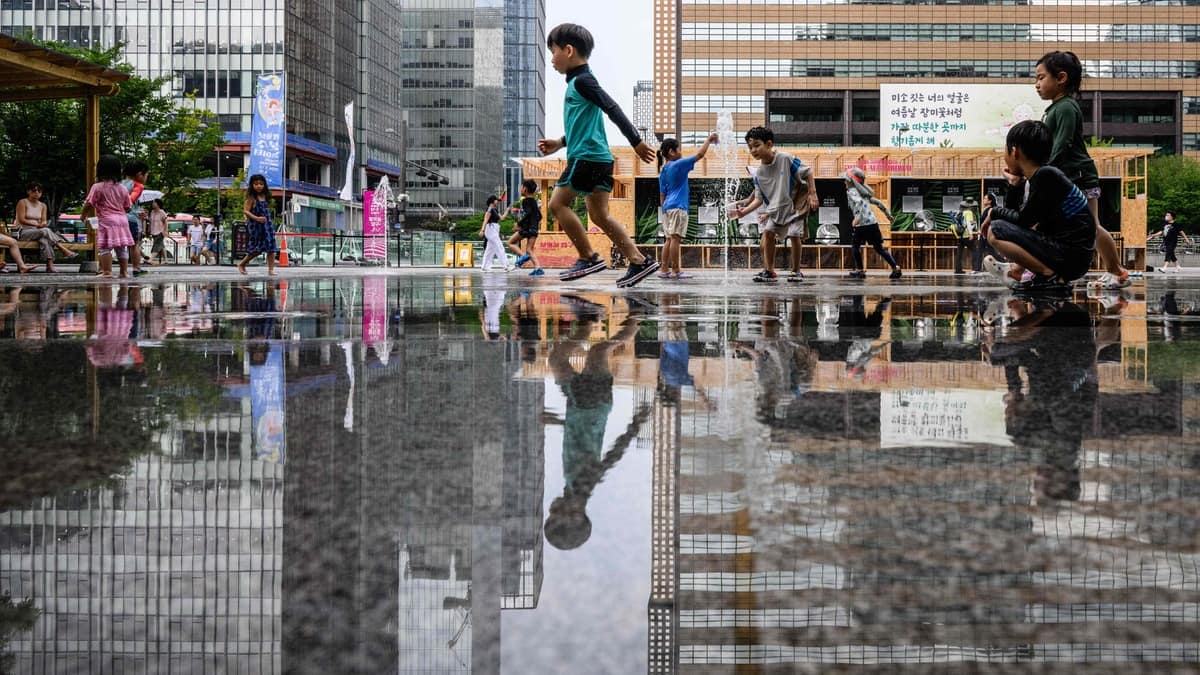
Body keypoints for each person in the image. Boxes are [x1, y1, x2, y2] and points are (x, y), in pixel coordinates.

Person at [537, 23, 659, 288]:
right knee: (599, 215)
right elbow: (582, 127)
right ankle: (638, 260)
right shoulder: (578, 83)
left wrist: (636, 141)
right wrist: (559, 142)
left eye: (553, 51)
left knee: (557, 205)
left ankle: (588, 256)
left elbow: (612, 107)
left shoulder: (583, 81)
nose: (552, 58)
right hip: (599, 158)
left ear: (568, 50)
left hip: (586, 157)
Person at [543, 298, 646, 550]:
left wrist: (556, 422)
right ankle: (637, 315)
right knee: (598, 352)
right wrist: (635, 425)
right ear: (576, 515)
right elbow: (612, 456)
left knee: (559, 358)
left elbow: (579, 438)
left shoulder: (572, 484)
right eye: (558, 517)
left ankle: (590, 321)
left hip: (579, 406)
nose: (552, 511)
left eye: (551, 517)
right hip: (591, 405)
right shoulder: (583, 485)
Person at [1035, 51, 1130, 290]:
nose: (1037, 84)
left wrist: (1045, 173)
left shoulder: (1066, 107)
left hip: (1078, 177)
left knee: (1090, 226)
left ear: (1061, 78)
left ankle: (1116, 271)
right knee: (1069, 225)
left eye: (1041, 77)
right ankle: (1025, 269)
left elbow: (1062, 144)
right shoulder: (1056, 108)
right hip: (1068, 177)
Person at [981, 121, 1096, 293]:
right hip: (1071, 255)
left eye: (1005, 151)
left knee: (995, 229)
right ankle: (1017, 271)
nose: (1004, 157)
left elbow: (1022, 221)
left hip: (1071, 256)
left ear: (1015, 151)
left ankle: (1047, 275)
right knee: (1002, 225)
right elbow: (1017, 219)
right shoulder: (1043, 175)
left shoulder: (1046, 176)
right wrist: (1014, 184)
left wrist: (992, 212)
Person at [728, 126, 818, 283]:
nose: (753, 150)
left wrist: (812, 192)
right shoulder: (760, 173)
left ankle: (796, 271)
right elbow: (759, 198)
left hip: (796, 203)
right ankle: (769, 271)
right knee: (768, 233)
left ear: (769, 144)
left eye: (757, 145)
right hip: (779, 209)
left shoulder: (784, 158)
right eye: (750, 147)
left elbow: (808, 171)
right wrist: (744, 212)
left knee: (794, 235)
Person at [657, 133, 718, 280]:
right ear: (672, 152)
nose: (681, 152)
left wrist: (664, 210)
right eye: (679, 149)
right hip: (678, 207)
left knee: (669, 239)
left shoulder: (663, 170)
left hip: (666, 208)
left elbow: (662, 194)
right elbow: (699, 155)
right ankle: (676, 271)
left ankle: (664, 269)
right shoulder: (678, 164)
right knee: (676, 239)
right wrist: (709, 139)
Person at [843, 168, 902, 280]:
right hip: (872, 224)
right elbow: (878, 202)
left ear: (851, 181)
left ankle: (860, 271)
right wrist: (888, 215)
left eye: (846, 180)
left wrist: (857, 218)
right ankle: (895, 267)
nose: (844, 182)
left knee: (855, 247)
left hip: (862, 225)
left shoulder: (851, 192)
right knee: (879, 248)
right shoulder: (864, 192)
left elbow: (859, 204)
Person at [81, 155, 133, 279]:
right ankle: (124, 272)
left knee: (105, 247)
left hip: (107, 220)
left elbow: (89, 203)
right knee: (121, 247)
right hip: (122, 220)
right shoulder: (123, 188)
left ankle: (107, 272)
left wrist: (83, 214)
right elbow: (128, 206)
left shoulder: (98, 187)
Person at [14, 181, 78, 272]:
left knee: (45, 239)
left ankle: (50, 266)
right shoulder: (22, 202)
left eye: (39, 191)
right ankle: (62, 249)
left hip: (39, 231)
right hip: (24, 231)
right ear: (28, 191)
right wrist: (37, 224)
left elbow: (44, 220)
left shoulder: (43, 205)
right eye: (34, 190)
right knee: (45, 231)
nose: (37, 193)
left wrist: (43, 224)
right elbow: (21, 219)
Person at [238, 174, 278, 276]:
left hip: (267, 225)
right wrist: (256, 218)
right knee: (257, 249)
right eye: (256, 184)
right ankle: (242, 264)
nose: (259, 186)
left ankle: (271, 270)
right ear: (252, 185)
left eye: (261, 184)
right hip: (256, 226)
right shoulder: (251, 198)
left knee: (271, 248)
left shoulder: (265, 196)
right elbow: (246, 211)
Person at [506, 179, 545, 276]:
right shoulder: (534, 202)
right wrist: (534, 224)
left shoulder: (526, 201)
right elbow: (540, 216)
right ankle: (538, 268)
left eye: (521, 187)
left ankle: (523, 256)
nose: (520, 189)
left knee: (510, 242)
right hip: (534, 229)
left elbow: (528, 214)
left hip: (526, 228)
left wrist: (518, 225)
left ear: (525, 189)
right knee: (529, 249)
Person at [121, 160, 150, 277]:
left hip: (117, 217)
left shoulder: (119, 183)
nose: (146, 177)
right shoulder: (138, 185)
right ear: (139, 174)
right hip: (130, 219)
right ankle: (136, 268)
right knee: (134, 245)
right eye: (146, 175)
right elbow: (130, 200)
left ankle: (105, 269)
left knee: (116, 245)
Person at [478, 195, 513, 272]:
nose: (497, 201)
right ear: (492, 201)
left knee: (490, 249)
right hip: (490, 228)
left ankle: (484, 267)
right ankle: (506, 266)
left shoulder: (495, 210)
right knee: (499, 246)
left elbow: (502, 218)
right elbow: (485, 220)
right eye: (496, 200)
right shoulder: (490, 209)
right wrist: (482, 230)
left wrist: (507, 210)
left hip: (494, 228)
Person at [972, 193, 1002, 272]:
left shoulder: (990, 210)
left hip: (987, 234)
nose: (983, 200)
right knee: (980, 250)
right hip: (983, 234)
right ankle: (977, 269)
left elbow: (989, 222)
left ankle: (1003, 263)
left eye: (985, 198)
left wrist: (982, 230)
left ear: (990, 201)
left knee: (991, 252)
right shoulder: (985, 209)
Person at [951, 198, 978, 275]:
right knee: (974, 251)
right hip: (966, 234)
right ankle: (975, 268)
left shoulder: (959, 212)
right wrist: (971, 233)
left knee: (959, 253)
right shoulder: (969, 212)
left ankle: (958, 269)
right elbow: (970, 223)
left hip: (960, 235)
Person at [146, 200, 168, 265]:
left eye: (154, 203)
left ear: (158, 204)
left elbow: (166, 222)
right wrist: (149, 230)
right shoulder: (152, 212)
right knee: (161, 245)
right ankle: (166, 260)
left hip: (160, 231)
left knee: (156, 245)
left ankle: (151, 259)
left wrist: (165, 231)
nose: (153, 204)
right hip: (153, 231)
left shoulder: (162, 212)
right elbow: (150, 221)